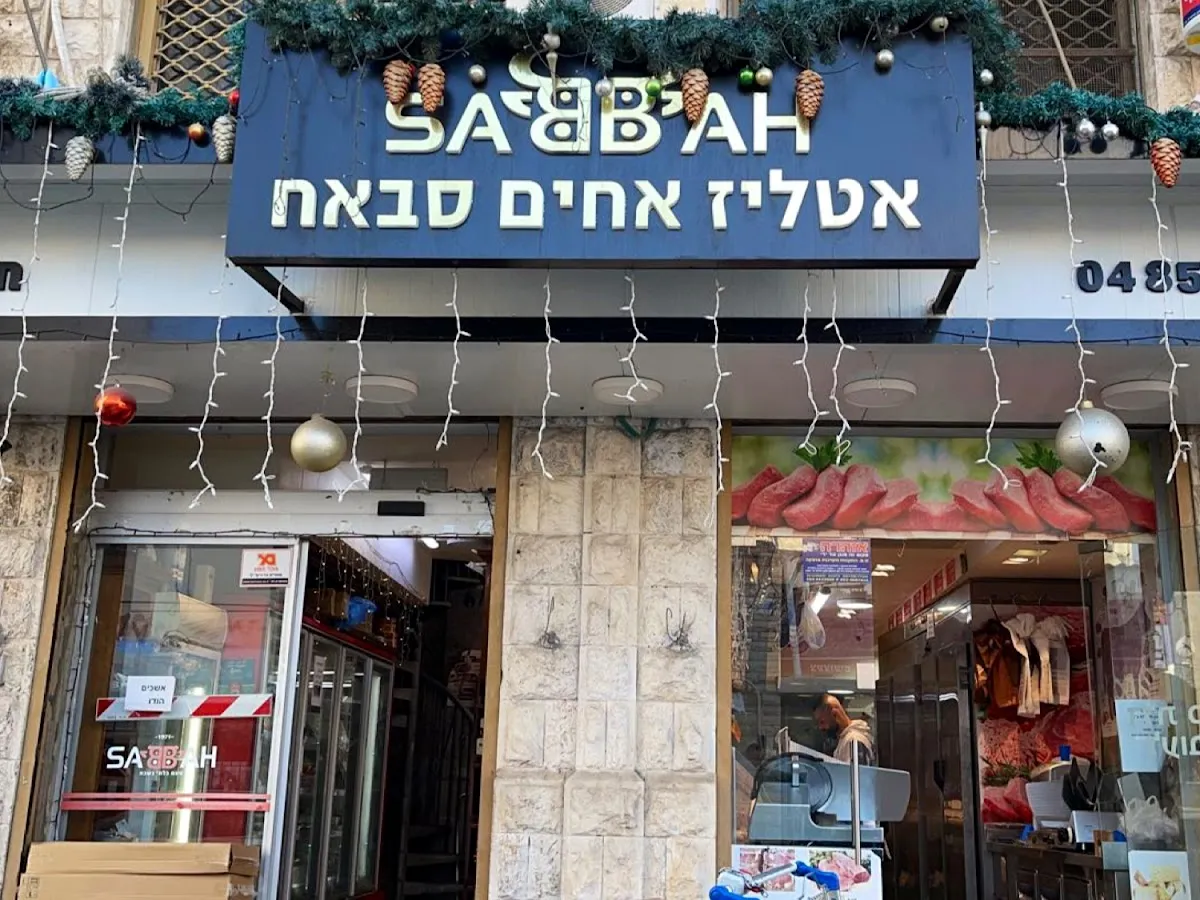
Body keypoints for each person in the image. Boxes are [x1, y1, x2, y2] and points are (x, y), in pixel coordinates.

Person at [813, 693, 875, 766]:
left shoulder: (854, 740)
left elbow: (860, 772)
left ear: (835, 714)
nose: (820, 727)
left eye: (822, 722)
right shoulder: (845, 740)